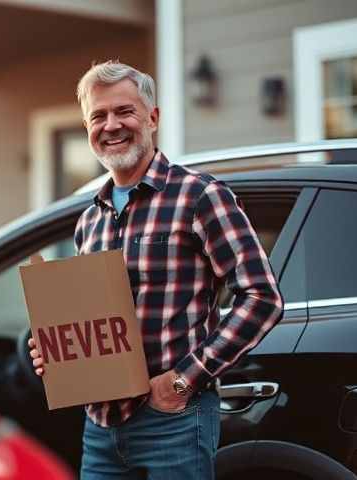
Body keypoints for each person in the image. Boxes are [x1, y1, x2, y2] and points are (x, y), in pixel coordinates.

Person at [27, 60, 283, 479]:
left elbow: (262, 298)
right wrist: (56, 350)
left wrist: (184, 380)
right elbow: (95, 321)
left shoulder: (200, 196)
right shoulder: (89, 220)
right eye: (98, 116)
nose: (111, 125)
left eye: (124, 111)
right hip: (100, 426)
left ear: (153, 118)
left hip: (174, 422)